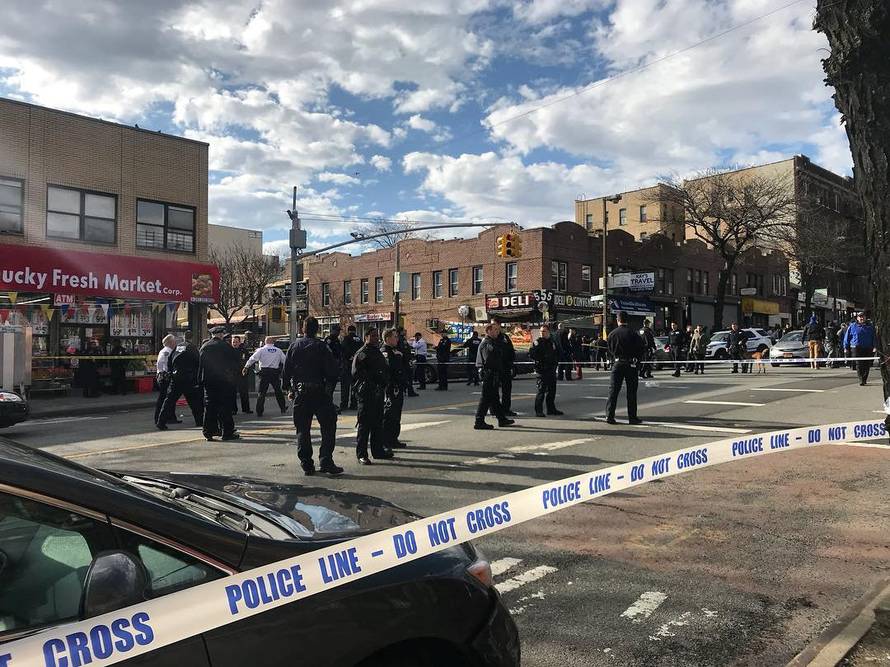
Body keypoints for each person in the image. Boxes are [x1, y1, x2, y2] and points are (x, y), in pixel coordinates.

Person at [282, 317, 342, 475]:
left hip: (301, 393)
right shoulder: (322, 347)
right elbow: (332, 372)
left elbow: (286, 371)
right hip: (319, 392)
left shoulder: (294, 346)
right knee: (328, 427)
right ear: (317, 330)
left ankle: (306, 463)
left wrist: (289, 389)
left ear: (303, 329)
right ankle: (326, 460)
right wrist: (329, 389)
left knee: (302, 429)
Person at [352, 328, 394, 463]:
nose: (376, 338)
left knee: (377, 424)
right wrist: (370, 381)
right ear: (366, 337)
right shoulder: (362, 353)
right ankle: (361, 454)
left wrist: (384, 382)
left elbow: (384, 370)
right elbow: (356, 373)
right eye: (373, 336)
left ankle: (378, 451)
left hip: (378, 392)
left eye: (377, 336)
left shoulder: (377, 352)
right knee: (364, 425)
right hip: (366, 393)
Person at [199, 326, 240, 442]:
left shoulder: (205, 347)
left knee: (210, 407)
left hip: (209, 381)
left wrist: (200, 380)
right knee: (224, 406)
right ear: (221, 335)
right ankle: (227, 432)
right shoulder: (225, 347)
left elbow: (200, 365)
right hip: (223, 381)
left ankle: (208, 432)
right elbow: (235, 363)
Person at [604, 311, 644, 425]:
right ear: (627, 320)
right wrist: (636, 358)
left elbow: (610, 350)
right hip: (630, 364)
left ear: (618, 320)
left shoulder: (612, 334)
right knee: (631, 392)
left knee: (613, 391)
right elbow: (641, 348)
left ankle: (609, 416)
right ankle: (632, 417)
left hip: (617, 363)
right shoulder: (633, 333)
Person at [158, 331, 204, 429]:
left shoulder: (177, 347)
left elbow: (170, 362)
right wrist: (197, 378)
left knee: (169, 401)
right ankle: (199, 421)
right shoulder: (192, 348)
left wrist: (172, 373)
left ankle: (161, 422)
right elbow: (198, 363)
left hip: (176, 378)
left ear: (183, 337)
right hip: (188, 379)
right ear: (192, 338)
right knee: (194, 402)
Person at [474, 322, 514, 430]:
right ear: (488, 331)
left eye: (498, 329)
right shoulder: (487, 343)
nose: (497, 332)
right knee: (485, 398)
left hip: (494, 374)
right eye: (495, 330)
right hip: (488, 373)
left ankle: (501, 419)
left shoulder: (494, 342)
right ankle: (479, 420)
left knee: (495, 398)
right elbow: (489, 360)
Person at [243, 336, 288, 417]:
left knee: (261, 393)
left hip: (264, 372)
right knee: (278, 392)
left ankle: (259, 411)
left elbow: (252, 359)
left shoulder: (261, 350)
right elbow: (285, 361)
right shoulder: (278, 350)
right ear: (273, 342)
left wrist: (246, 367)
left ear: (265, 342)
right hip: (274, 373)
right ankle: (283, 408)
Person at [529, 323, 563, 417]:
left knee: (552, 391)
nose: (542, 333)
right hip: (542, 370)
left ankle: (551, 409)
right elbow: (532, 354)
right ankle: (538, 411)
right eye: (541, 331)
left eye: (544, 331)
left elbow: (556, 353)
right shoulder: (537, 342)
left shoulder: (552, 342)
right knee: (541, 391)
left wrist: (555, 362)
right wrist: (540, 361)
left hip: (551, 370)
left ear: (549, 332)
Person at [382, 328, 407, 450]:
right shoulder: (385, 352)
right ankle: (386, 440)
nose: (397, 338)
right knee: (389, 415)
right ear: (388, 338)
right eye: (395, 336)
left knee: (397, 414)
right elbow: (388, 370)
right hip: (390, 388)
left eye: (397, 336)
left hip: (398, 386)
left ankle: (394, 438)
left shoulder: (396, 350)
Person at [842, 312, 877, 386]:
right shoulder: (852, 326)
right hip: (856, 347)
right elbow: (847, 337)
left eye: (863, 317)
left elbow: (874, 337)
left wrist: (875, 346)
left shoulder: (870, 326)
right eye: (860, 317)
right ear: (857, 318)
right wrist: (846, 347)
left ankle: (864, 379)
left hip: (868, 348)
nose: (861, 318)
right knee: (859, 364)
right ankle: (861, 379)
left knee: (867, 364)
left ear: (865, 317)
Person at [494, 321, 517, 417]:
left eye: (496, 325)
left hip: (506, 367)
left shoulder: (505, 337)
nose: (495, 328)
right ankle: (495, 410)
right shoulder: (491, 338)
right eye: (493, 326)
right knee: (494, 391)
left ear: (499, 326)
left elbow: (511, 350)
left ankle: (506, 409)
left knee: (507, 390)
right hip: (495, 368)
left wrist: (511, 364)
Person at [154, 334, 177, 429]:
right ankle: (159, 418)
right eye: (174, 341)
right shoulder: (168, 352)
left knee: (169, 398)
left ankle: (171, 417)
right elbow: (167, 365)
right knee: (164, 398)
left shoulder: (163, 351)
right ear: (170, 342)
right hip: (165, 377)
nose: (175, 343)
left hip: (162, 376)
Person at [340, 325, 362, 410]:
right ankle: (354, 404)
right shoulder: (359, 339)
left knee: (345, 387)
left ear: (348, 331)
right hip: (357, 366)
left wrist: (349, 357)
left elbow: (343, 350)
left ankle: (344, 404)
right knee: (355, 386)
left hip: (347, 365)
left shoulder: (346, 339)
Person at [324, 324, 344, 410]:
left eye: (339, 331)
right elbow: (328, 353)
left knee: (332, 386)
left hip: (336, 367)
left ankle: (329, 403)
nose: (338, 332)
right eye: (337, 331)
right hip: (329, 367)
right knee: (328, 387)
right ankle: (327, 404)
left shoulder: (337, 340)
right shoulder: (329, 340)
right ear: (333, 331)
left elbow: (340, 351)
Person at [230, 335, 253, 414]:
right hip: (232, 375)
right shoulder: (229, 350)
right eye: (233, 342)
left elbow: (248, 361)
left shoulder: (244, 350)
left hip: (242, 375)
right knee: (232, 393)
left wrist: (246, 370)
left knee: (244, 393)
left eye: (236, 342)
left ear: (239, 342)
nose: (235, 343)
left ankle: (246, 409)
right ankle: (233, 409)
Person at [397, 328, 418, 397]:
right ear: (401, 332)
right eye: (404, 331)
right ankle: (409, 391)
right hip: (405, 361)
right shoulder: (401, 339)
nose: (405, 332)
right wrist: (408, 358)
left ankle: (405, 389)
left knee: (406, 377)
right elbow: (404, 350)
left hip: (405, 360)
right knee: (408, 376)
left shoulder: (402, 338)